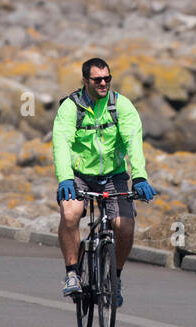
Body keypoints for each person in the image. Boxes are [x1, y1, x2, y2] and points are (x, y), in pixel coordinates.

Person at [53, 57, 154, 306]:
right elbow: (61, 143)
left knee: (125, 225)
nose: (103, 83)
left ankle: (115, 277)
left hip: (113, 175)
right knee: (70, 214)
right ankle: (72, 273)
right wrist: (65, 178)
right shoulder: (70, 107)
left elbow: (133, 142)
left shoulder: (121, 105)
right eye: (97, 79)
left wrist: (140, 175)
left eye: (107, 78)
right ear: (85, 80)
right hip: (79, 175)